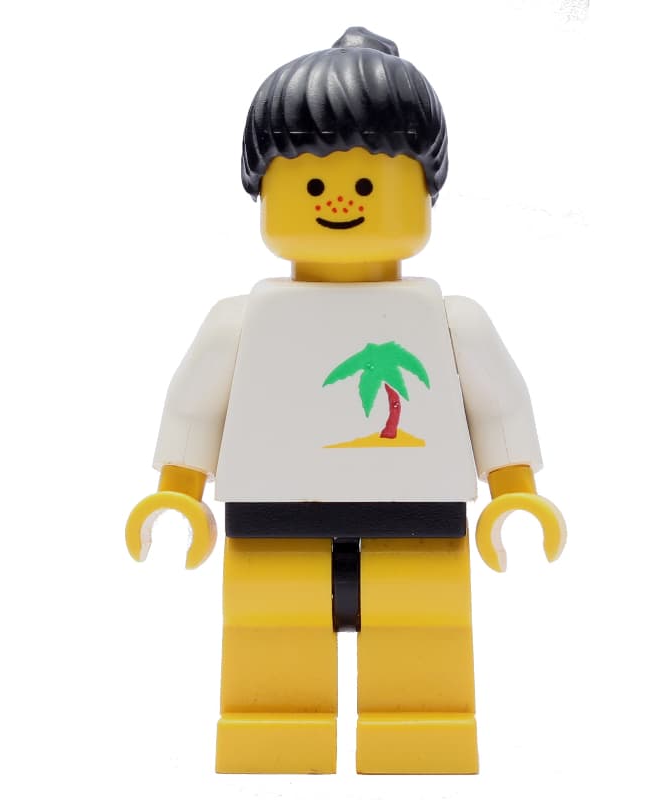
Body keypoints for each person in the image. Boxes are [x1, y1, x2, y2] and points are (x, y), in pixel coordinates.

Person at [126, 27, 566, 775]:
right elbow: (195, 408)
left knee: (424, 635)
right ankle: (271, 730)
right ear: (262, 194)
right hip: (268, 524)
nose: (337, 199)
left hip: (422, 523)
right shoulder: (239, 322)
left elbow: (497, 408)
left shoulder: (451, 321)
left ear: (426, 193)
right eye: (308, 183)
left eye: (367, 185)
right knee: (268, 634)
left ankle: (422, 730)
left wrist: (514, 493)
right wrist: (177, 493)